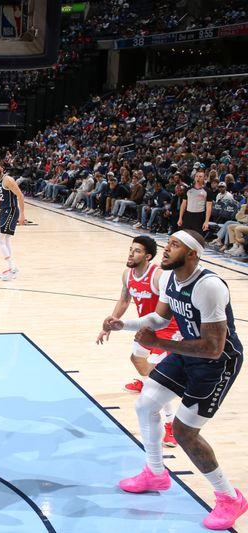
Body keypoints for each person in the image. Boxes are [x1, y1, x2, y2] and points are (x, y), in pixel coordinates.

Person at [102, 230, 246, 530]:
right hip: (187, 351)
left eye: (174, 246)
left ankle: (229, 497)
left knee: (184, 432)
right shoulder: (169, 278)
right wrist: (123, 324)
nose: (166, 250)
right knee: (145, 405)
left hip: (216, 364)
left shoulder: (209, 287)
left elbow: (213, 347)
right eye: (167, 244)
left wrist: (162, 344)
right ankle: (156, 472)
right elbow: (160, 320)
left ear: (192, 254)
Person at [96, 236, 179, 447]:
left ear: (148, 256)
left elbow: (172, 306)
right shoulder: (127, 274)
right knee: (136, 358)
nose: (131, 253)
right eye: (130, 249)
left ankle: (171, 426)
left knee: (159, 380)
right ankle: (146, 380)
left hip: (167, 330)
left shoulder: (158, 276)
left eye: (137, 251)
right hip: (145, 328)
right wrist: (109, 324)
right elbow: (124, 300)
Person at [0, 160, 25, 281]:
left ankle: (13, 268)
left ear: (2, 168)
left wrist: (22, 214)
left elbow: (20, 195)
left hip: (11, 211)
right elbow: (0, 196)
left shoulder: (8, 180)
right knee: (6, 239)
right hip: (4, 211)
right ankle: (12, 269)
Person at [178, 169, 213, 236]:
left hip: (199, 216)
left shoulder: (207, 191)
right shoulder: (188, 189)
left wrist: (206, 221)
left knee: (197, 236)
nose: (198, 178)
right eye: (196, 176)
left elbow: (209, 207)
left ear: (204, 178)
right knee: (184, 235)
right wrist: (180, 218)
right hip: (188, 215)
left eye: (200, 176)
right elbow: (183, 204)